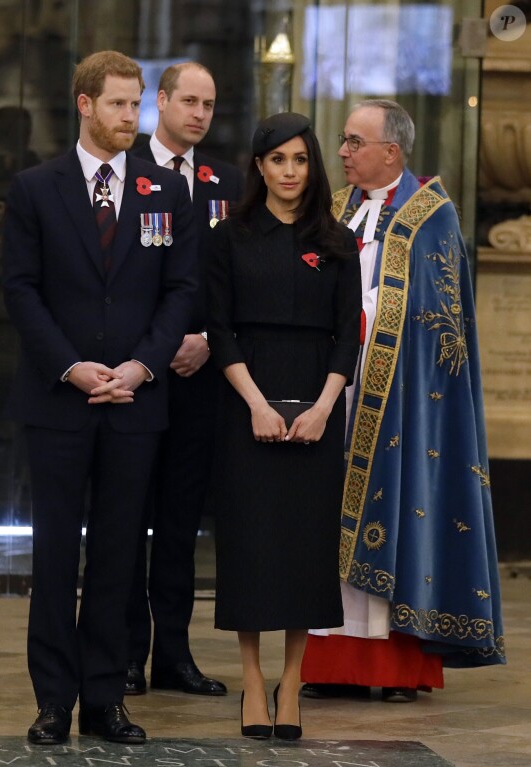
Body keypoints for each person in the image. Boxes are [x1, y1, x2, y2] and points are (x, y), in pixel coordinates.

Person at [2, 50, 197, 745]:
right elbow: (19, 288)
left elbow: (180, 289)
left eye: (136, 103)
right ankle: (54, 699)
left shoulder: (163, 190)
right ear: (85, 104)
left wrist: (144, 365)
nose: (130, 117)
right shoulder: (36, 187)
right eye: (118, 104)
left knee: (120, 554)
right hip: (59, 402)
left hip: (136, 404)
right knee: (55, 554)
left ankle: (106, 698)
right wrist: (72, 367)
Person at [301, 99, 506, 704]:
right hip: (332, 388)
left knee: (400, 506)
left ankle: (394, 665)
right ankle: (325, 658)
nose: (341, 152)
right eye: (342, 141)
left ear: (390, 152)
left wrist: (366, 324)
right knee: (323, 516)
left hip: (401, 397)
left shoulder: (431, 215)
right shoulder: (335, 208)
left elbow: (441, 324)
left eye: (353, 142)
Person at [206, 112, 362, 740]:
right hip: (247, 398)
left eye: (300, 160)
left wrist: (324, 408)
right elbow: (218, 330)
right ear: (259, 167)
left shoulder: (338, 240)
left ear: (312, 165)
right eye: (278, 160)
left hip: (318, 400)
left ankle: (292, 679)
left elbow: (347, 336)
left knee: (303, 548)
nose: (290, 172)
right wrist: (257, 405)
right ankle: (251, 677)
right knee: (250, 545)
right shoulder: (228, 236)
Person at [126, 62, 243, 697]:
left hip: (201, 373)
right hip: (139, 372)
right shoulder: (127, 172)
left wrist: (206, 340)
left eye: (210, 103)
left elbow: (233, 280)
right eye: (189, 101)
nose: (200, 113)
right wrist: (159, 346)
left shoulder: (225, 180)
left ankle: (173, 654)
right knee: (126, 517)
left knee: (178, 522)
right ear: (161, 102)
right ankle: (123, 654)